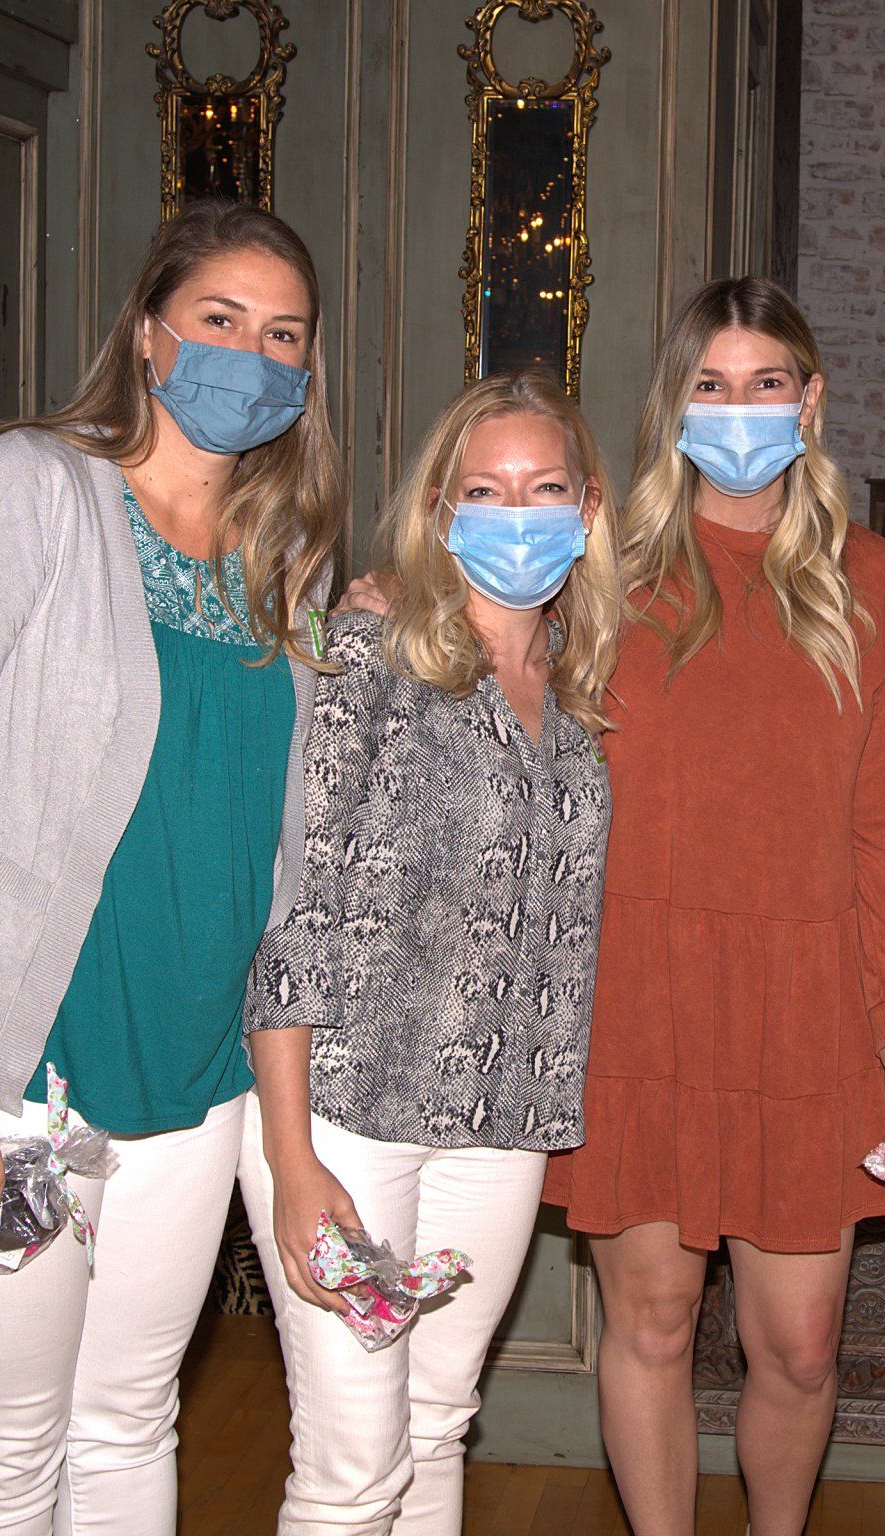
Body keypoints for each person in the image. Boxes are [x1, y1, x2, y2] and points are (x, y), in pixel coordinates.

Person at [0, 199, 343, 1534]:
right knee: (6, 1451)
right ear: (149, 338)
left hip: (194, 1070)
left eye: (282, 335)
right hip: (7, 1067)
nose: (252, 355)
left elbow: (284, 838)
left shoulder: (289, 559)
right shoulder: (33, 489)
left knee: (130, 1421)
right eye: (220, 321)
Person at [540, 277, 885, 1536]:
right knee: (652, 1326)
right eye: (711, 387)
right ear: (675, 406)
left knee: (803, 1348)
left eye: (765, 384)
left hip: (805, 1003)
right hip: (639, 995)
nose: (739, 410)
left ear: (810, 401)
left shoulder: (874, 583)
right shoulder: (597, 567)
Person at [240, 368, 619, 1536]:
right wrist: (294, 1157)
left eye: (545, 487)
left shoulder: (583, 688)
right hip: (345, 1117)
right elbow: (295, 908)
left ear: (590, 508)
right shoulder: (365, 652)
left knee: (438, 1421)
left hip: (500, 1123)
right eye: (486, 490)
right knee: (352, 1466)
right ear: (441, 509)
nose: (518, 514)